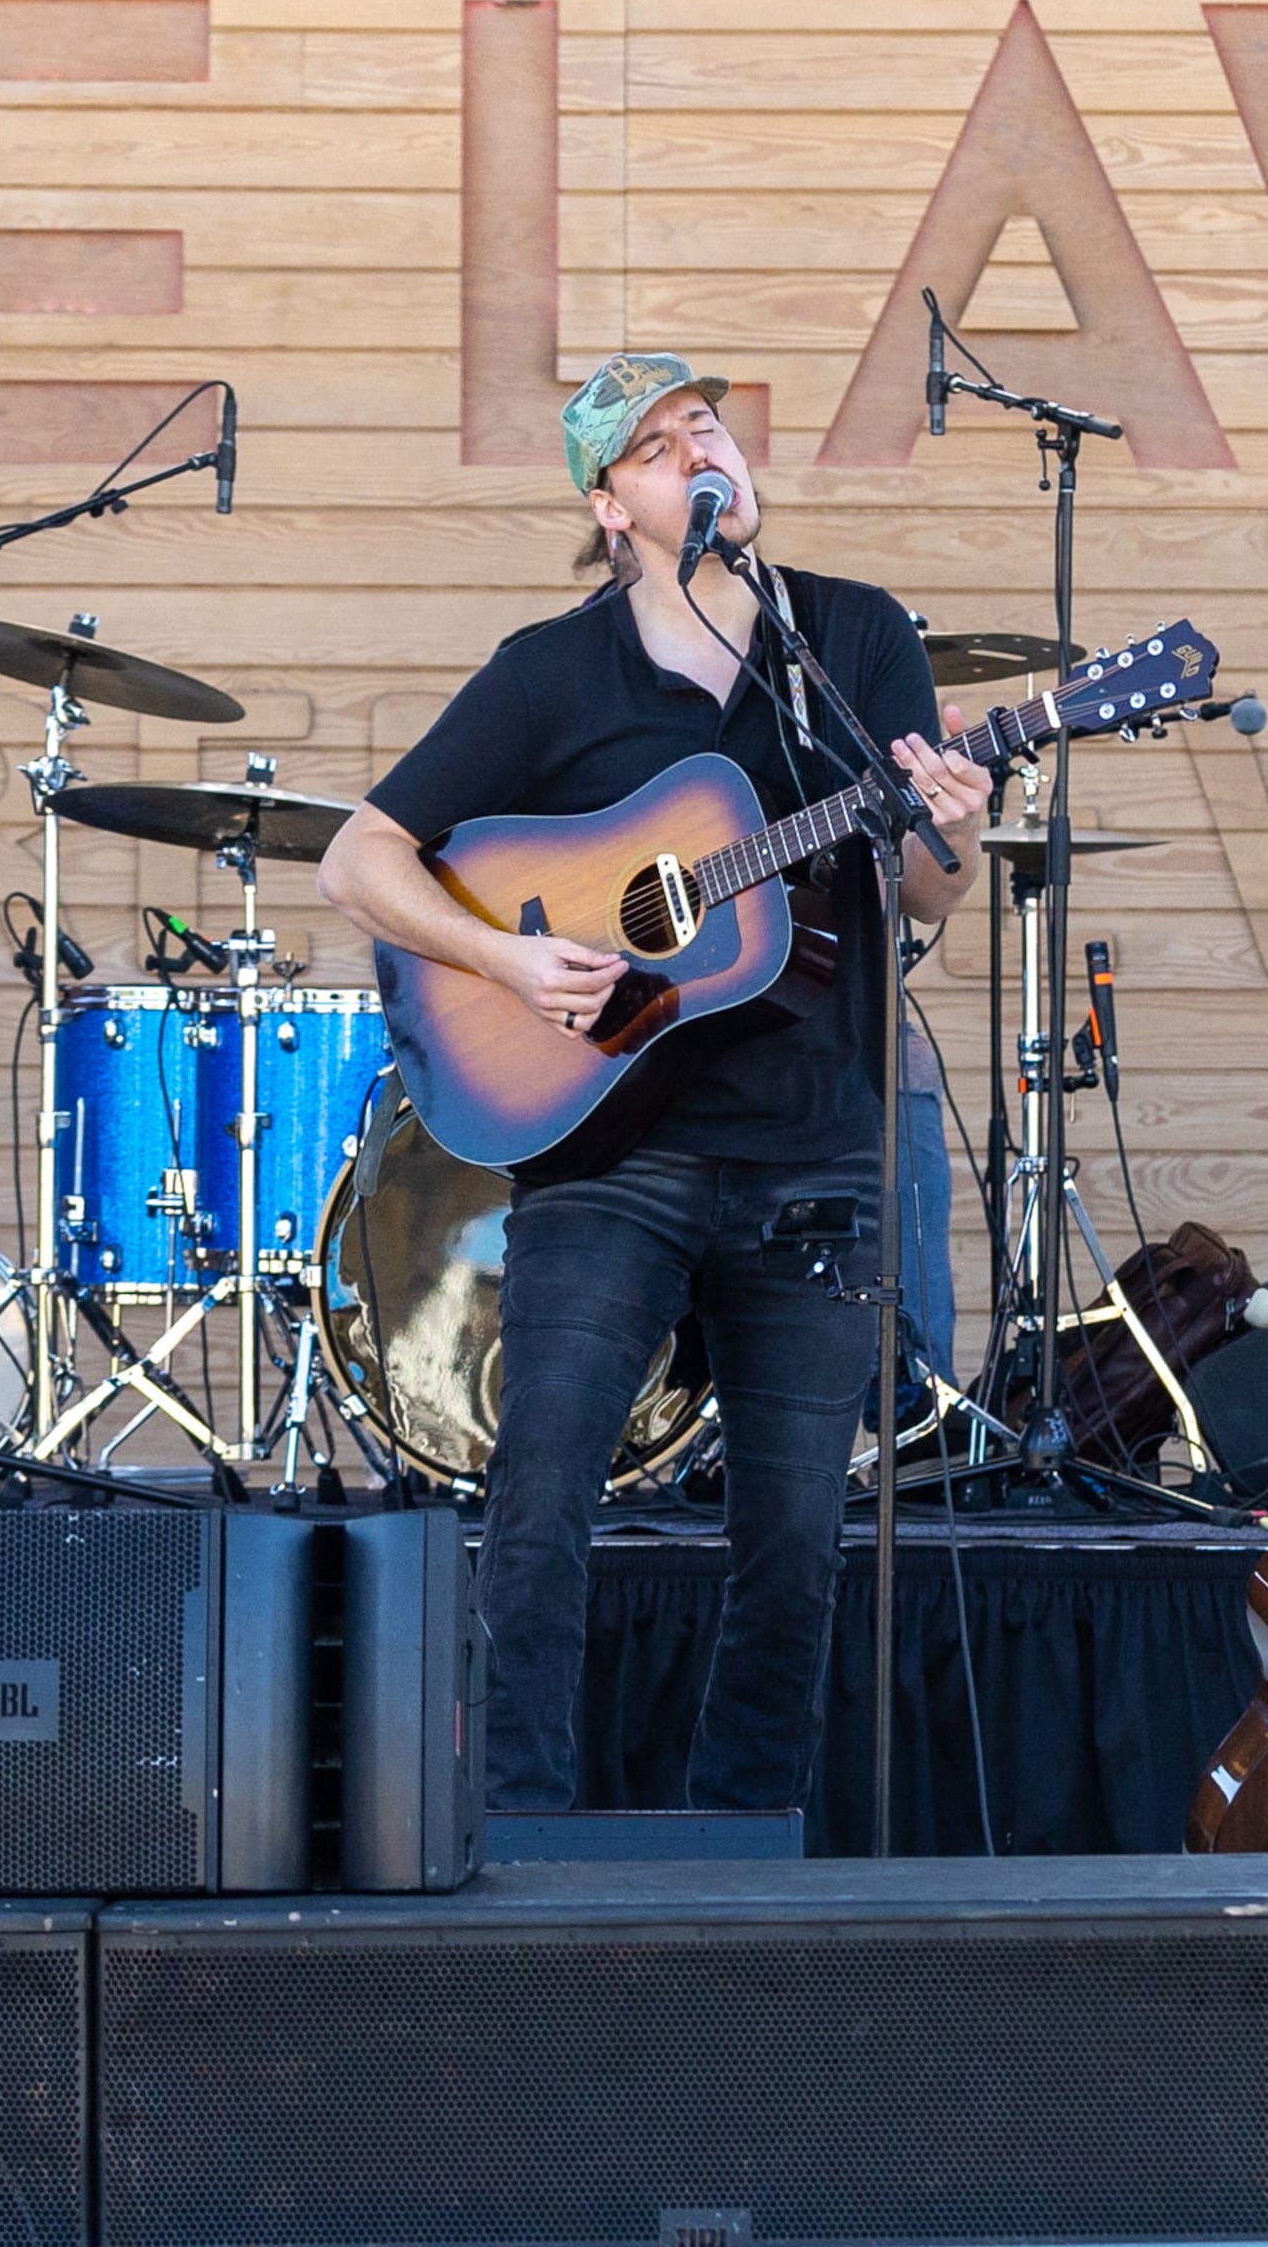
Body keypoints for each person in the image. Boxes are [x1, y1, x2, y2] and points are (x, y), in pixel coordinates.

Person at [316, 353, 992, 1818]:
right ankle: (516, 1827)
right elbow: (357, 858)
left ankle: (745, 1839)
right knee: (544, 1491)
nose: (702, 450)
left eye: (711, 427)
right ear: (609, 503)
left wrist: (955, 824)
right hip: (609, 1151)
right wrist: (500, 962)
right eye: (658, 443)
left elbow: (932, 897)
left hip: (818, 1145)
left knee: (794, 1534)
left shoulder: (853, 640)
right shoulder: (553, 672)